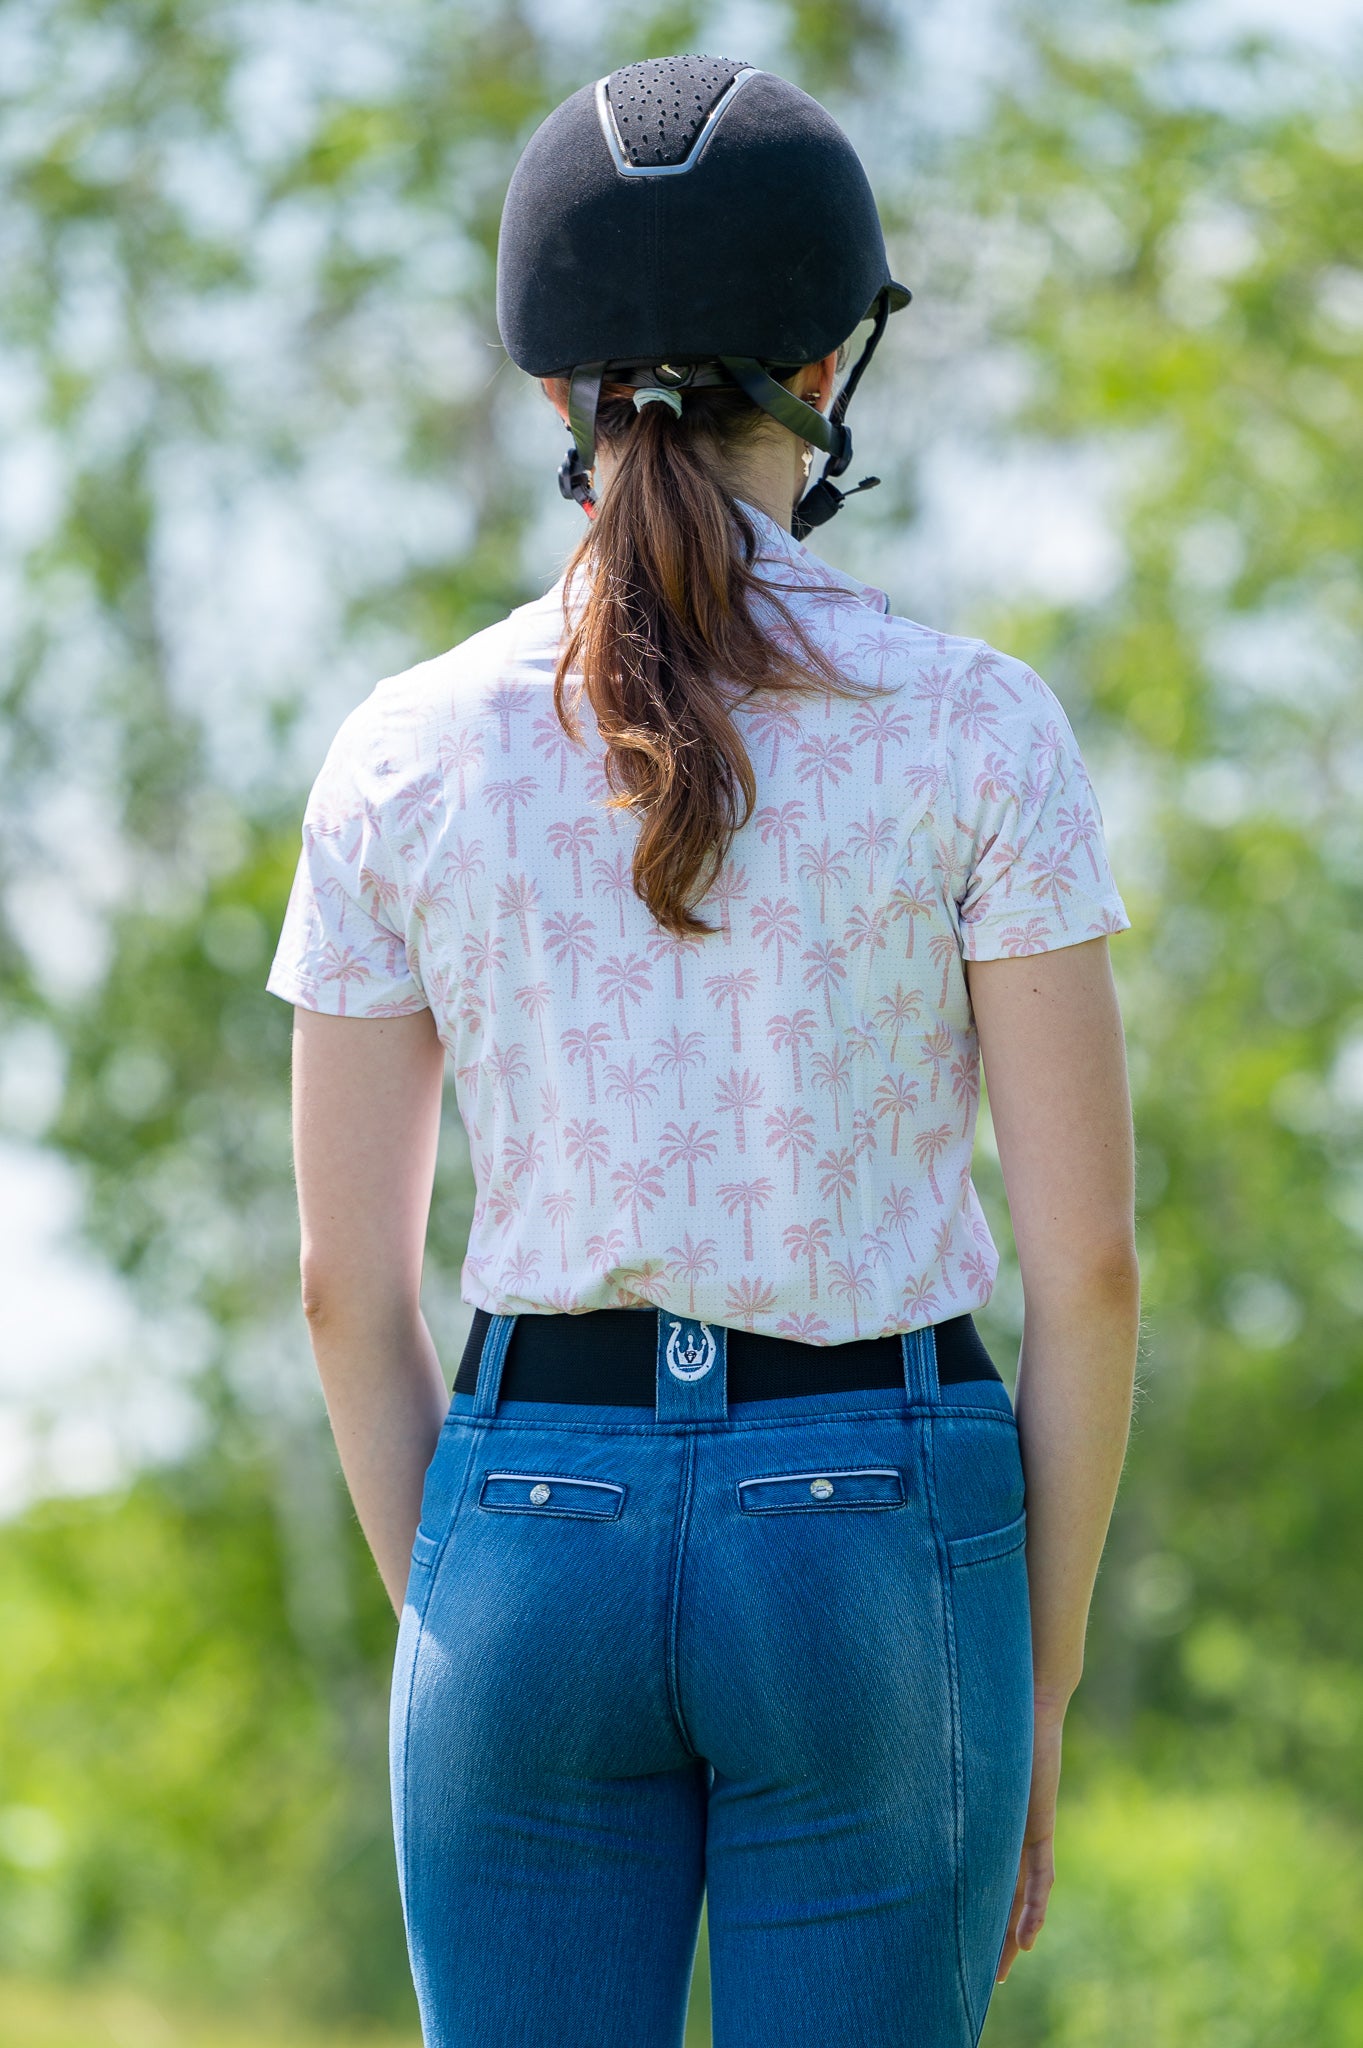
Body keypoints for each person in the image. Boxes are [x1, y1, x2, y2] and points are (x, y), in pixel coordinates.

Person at [266, 53, 1140, 2048]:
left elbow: (345, 1287)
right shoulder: (975, 728)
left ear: (549, 385)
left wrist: (469, 1619)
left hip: (521, 1524)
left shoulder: (401, 751)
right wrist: (1035, 1682)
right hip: (875, 1540)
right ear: (833, 366)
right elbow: (1085, 1274)